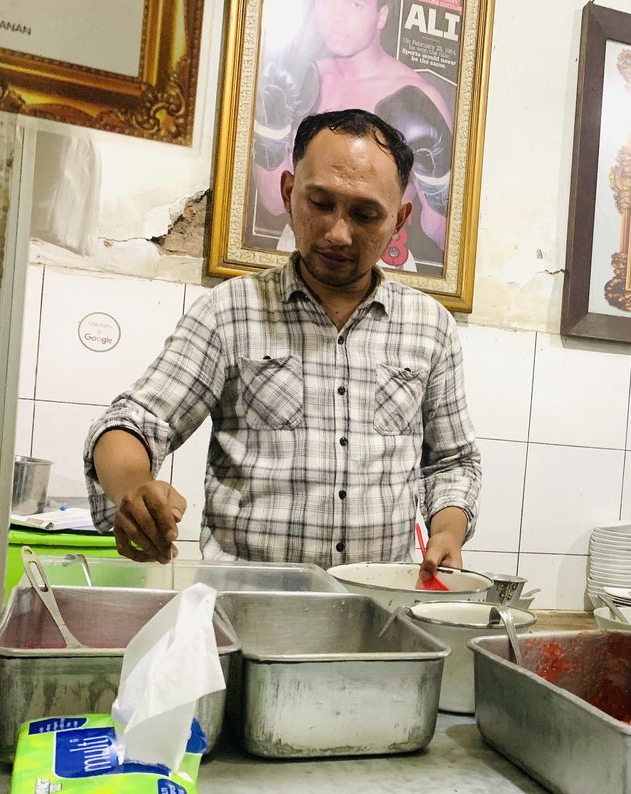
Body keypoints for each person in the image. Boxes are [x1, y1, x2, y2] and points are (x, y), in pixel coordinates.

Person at [83, 109, 480, 586]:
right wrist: (134, 489)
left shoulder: (429, 327)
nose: (338, 233)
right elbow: (132, 422)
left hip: (379, 609)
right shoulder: (231, 311)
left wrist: (448, 531)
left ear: (400, 220)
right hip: (245, 608)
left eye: (365, 214)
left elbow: (453, 462)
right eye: (320, 203)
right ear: (289, 193)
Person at [251, 0, 453, 270]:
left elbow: (441, 234)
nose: (338, 17)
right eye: (328, 4)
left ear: (381, 16)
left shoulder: (417, 98)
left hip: (380, 266)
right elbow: (274, 202)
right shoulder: (299, 80)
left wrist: (436, 185)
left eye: (355, 5)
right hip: (300, 257)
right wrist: (271, 132)